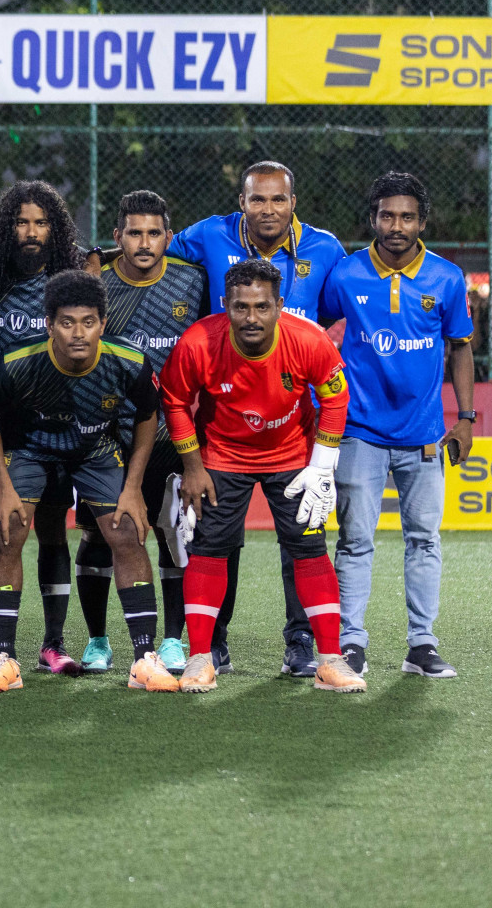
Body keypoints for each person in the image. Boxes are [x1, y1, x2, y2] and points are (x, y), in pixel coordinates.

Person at [165, 160, 348, 678]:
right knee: (213, 546)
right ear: (224, 304)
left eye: (261, 307)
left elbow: (335, 395)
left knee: (308, 547)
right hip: (223, 451)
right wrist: (194, 465)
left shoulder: (308, 336)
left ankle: (324, 658)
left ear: (279, 305)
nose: (251, 316)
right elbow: (175, 400)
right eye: (240, 307)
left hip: (293, 449)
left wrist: (323, 463)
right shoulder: (199, 341)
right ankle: (204, 655)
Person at [0, 270, 178, 694]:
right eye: (67, 323)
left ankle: (144, 659)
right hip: (32, 449)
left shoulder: (128, 362)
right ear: (49, 324)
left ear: (102, 324)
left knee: (127, 532)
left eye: (88, 322)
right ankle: (4, 658)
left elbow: (148, 417)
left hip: (94, 452)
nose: (78, 333)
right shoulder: (16, 365)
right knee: (9, 531)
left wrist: (132, 487)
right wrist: (3, 484)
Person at [320, 172, 475, 679]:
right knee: (355, 540)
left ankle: (422, 645)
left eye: (407, 216)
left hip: (426, 433)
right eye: (387, 215)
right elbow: (317, 336)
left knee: (424, 540)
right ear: (373, 220)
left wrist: (466, 418)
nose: (396, 225)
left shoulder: (447, 278)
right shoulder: (344, 275)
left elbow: (461, 348)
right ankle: (351, 643)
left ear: (422, 222)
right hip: (359, 431)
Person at [75, 190, 208, 676]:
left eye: (154, 233)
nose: (145, 242)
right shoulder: (97, 285)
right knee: (99, 534)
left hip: (174, 435)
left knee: (174, 533)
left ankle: (173, 641)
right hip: (107, 436)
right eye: (134, 232)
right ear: (118, 237)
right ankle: (96, 641)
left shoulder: (193, 282)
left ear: (168, 238)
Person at [0, 180, 88, 677]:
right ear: (7, 227)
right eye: (21, 222)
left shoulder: (68, 277)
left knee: (54, 531)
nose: (31, 231)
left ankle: (53, 643)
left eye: (41, 222)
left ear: (55, 227)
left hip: (55, 428)